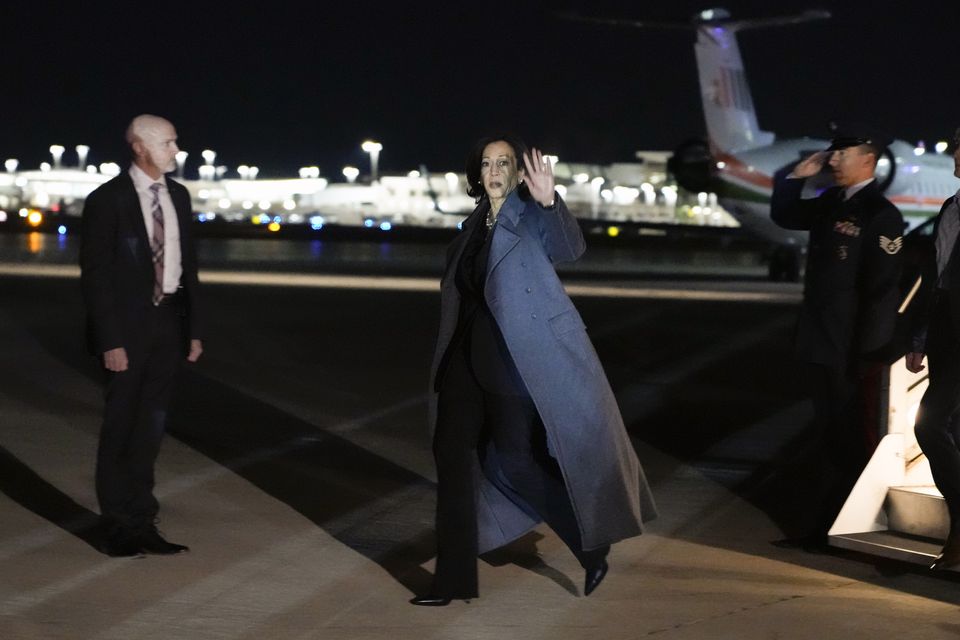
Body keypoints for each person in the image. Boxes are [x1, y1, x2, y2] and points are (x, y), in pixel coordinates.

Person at [412, 134, 656, 606]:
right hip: (465, 363)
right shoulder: (472, 226)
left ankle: (590, 544)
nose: (494, 170)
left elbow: (569, 248)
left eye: (504, 162)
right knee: (452, 460)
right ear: (477, 173)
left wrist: (550, 202)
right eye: (486, 163)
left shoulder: (531, 216)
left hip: (513, 363)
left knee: (519, 463)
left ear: (519, 171)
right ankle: (453, 581)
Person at [771, 123, 904, 547]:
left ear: (867, 160)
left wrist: (869, 353)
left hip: (848, 348)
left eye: (841, 155)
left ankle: (835, 527)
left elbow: (882, 292)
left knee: (844, 438)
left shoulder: (881, 214)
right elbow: (786, 214)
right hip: (820, 339)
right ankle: (825, 525)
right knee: (826, 433)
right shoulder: (830, 202)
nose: (832, 160)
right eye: (832, 154)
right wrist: (795, 179)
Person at [80, 114, 203, 557]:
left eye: (174, 142)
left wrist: (193, 329)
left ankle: (142, 522)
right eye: (168, 143)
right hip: (126, 329)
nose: (175, 150)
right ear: (139, 147)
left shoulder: (180, 197)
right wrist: (110, 340)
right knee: (120, 427)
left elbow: (189, 270)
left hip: (168, 324)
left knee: (151, 428)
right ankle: (116, 526)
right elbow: (96, 277)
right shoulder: (107, 200)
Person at [905, 128, 960, 570]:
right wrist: (920, 337)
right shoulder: (950, 208)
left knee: (930, 423)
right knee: (952, 430)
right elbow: (935, 278)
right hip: (944, 334)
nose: (957, 161)